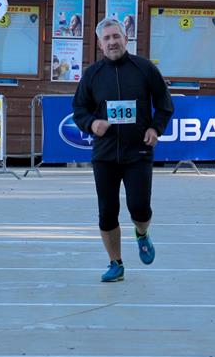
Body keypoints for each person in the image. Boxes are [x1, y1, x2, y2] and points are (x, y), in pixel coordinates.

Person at [72, 18, 174, 282]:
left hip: (137, 152)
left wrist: (155, 129)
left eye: (116, 36)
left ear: (126, 38)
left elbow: (165, 104)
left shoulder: (144, 68)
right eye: (106, 38)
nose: (112, 42)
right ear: (99, 44)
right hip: (104, 155)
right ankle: (115, 263)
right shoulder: (92, 74)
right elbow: (79, 109)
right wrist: (92, 123)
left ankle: (142, 233)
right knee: (107, 212)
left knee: (139, 207)